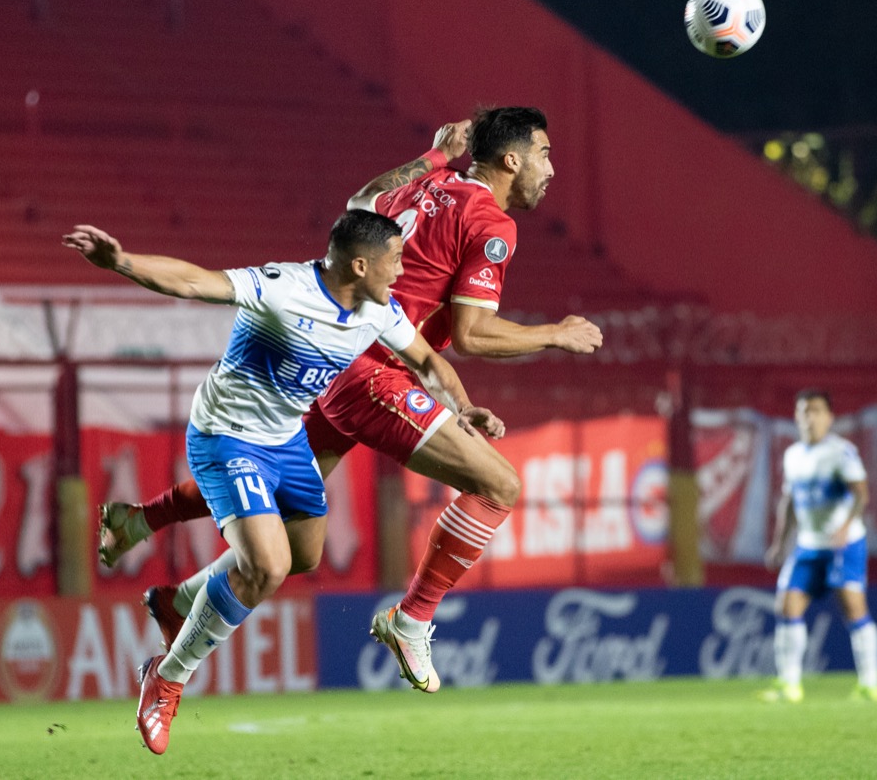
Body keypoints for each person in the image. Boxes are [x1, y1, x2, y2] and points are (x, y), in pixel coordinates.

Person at [97, 107, 604, 694]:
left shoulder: (428, 183)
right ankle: (411, 618)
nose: (551, 168)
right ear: (511, 159)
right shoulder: (493, 224)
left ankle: (162, 565)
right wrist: (554, 333)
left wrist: (434, 153)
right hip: (375, 373)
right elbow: (472, 333)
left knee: (290, 541)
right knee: (500, 485)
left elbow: (359, 204)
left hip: (337, 361)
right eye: (544, 153)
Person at [62, 210, 504, 754]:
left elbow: (427, 359)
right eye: (393, 261)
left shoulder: (377, 309)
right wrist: (123, 261)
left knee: (302, 555)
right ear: (359, 264)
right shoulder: (285, 287)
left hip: (285, 439)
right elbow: (199, 282)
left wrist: (462, 407)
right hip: (227, 435)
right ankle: (167, 677)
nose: (401, 270)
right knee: (265, 566)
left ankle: (177, 599)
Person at [759, 388, 877, 703]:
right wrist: (778, 543)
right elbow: (788, 502)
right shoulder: (793, 456)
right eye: (803, 411)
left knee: (853, 608)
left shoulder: (841, 452)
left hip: (845, 544)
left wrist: (843, 526)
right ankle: (790, 684)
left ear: (829, 417)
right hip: (808, 545)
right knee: (787, 605)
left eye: (815, 411)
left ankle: (870, 684)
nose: (809, 417)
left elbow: (861, 493)